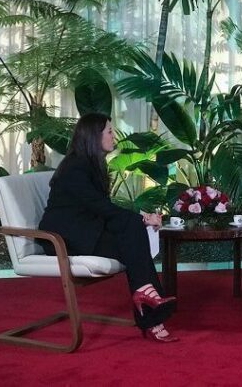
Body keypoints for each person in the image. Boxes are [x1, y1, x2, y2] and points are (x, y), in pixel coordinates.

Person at [38, 113, 178, 343]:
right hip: (63, 239)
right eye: (110, 131)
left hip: (86, 230)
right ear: (94, 136)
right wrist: (142, 219)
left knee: (133, 235)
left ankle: (147, 299)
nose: (115, 136)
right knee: (133, 233)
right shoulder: (75, 167)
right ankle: (151, 314)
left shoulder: (92, 164)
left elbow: (99, 208)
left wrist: (140, 218)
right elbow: (99, 207)